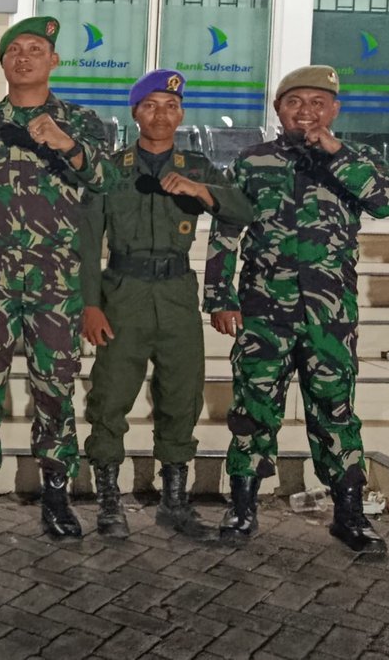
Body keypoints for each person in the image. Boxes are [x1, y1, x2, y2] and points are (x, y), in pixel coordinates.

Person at [204, 65, 389, 556]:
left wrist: (335, 154)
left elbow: (386, 202)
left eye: (318, 103)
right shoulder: (253, 162)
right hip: (263, 311)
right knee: (253, 407)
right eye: (295, 102)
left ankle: (349, 513)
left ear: (334, 110)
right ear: (278, 109)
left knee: (335, 409)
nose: (306, 112)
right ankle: (243, 505)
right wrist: (220, 298)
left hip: (329, 314)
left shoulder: (355, 161)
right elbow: (226, 231)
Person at [0, 16, 115, 540]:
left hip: (56, 281)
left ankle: (57, 494)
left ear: (53, 61)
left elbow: (105, 180)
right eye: (14, 50)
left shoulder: (81, 122)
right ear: (2, 63)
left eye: (35, 49)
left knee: (56, 388)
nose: (24, 58)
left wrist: (67, 145)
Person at [79, 70, 250, 540]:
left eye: (171, 106)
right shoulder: (111, 168)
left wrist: (201, 192)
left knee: (181, 395)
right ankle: (109, 502)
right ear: (135, 113)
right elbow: (88, 242)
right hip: (123, 293)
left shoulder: (196, 167)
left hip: (176, 295)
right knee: (110, 396)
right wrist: (89, 305)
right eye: (151, 105)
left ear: (181, 114)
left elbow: (243, 210)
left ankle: (174, 502)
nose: (161, 115)